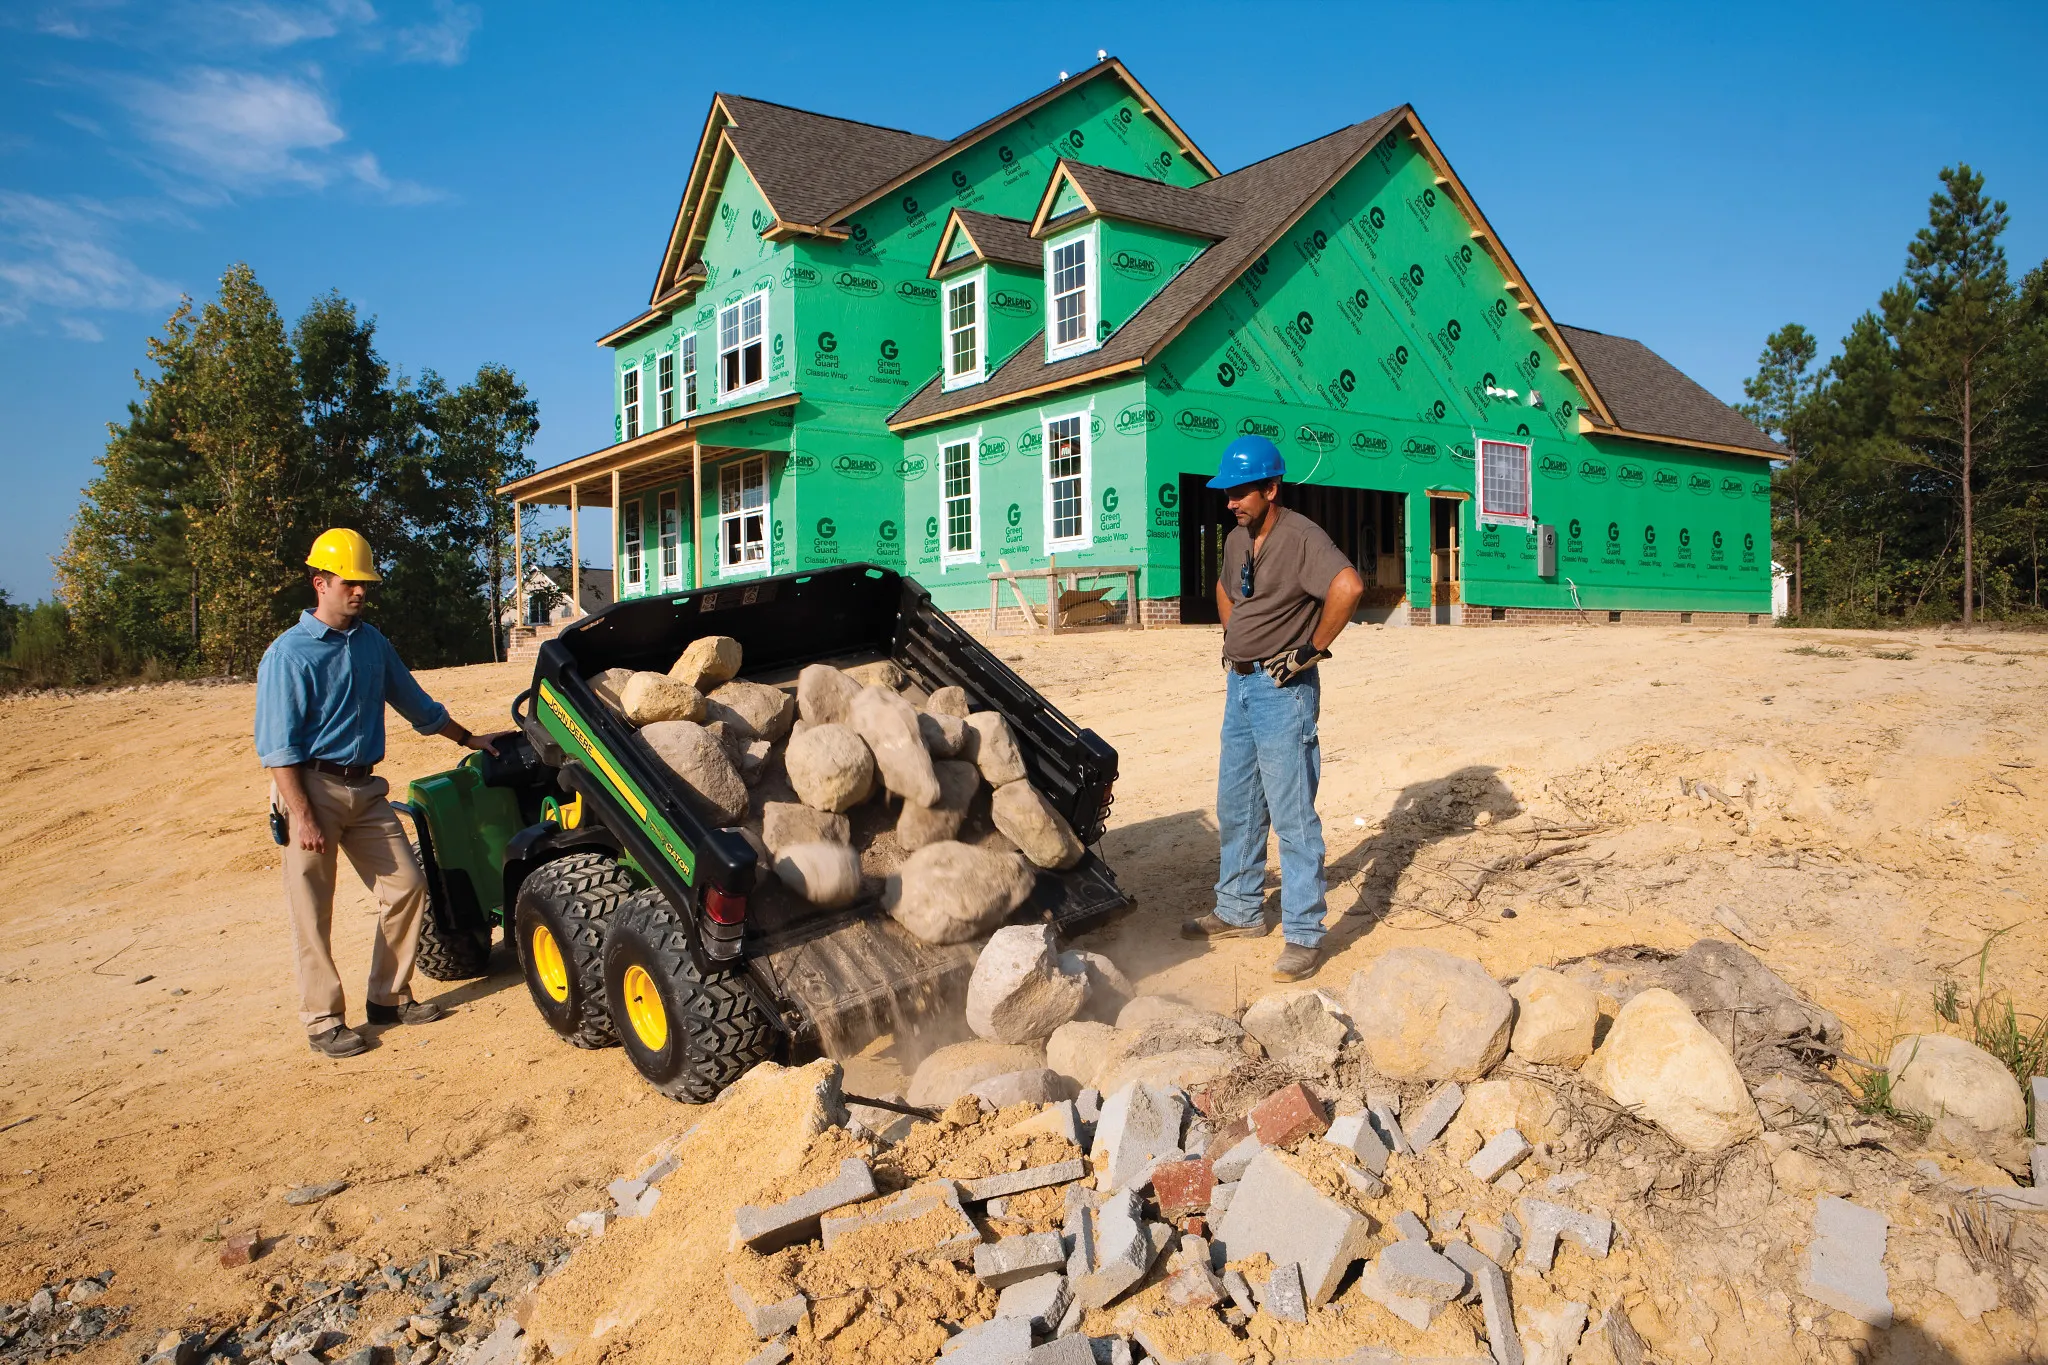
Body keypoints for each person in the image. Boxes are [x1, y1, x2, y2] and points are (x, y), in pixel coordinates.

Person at [255, 528, 507, 1057]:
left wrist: (467, 737)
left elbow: (416, 704)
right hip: (310, 789)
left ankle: (388, 997)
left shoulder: (373, 643)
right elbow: (278, 749)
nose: (361, 591)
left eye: (366, 583)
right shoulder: (288, 655)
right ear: (319, 583)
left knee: (408, 886)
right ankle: (323, 1018)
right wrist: (300, 815)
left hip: (364, 788)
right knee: (311, 909)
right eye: (351, 582)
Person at [1181, 436, 1365, 981]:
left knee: (1292, 815)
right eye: (1227, 493)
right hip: (1240, 687)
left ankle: (1305, 934)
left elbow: (1349, 587)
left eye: (1241, 492)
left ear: (1271, 488)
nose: (1231, 502)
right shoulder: (1238, 538)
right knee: (1236, 803)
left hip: (1282, 691)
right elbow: (1224, 589)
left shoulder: (1303, 537)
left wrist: (1310, 651)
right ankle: (1239, 909)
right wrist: (1235, 633)